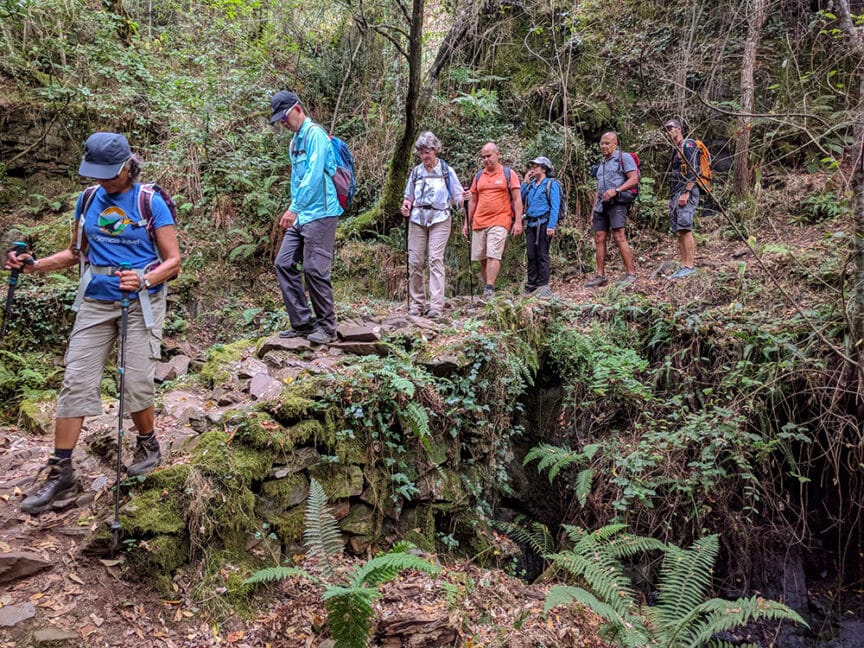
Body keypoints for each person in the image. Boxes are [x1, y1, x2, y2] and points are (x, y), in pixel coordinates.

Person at [7, 132, 181, 515]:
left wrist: (145, 279)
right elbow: (76, 253)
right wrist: (35, 266)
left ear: (126, 166)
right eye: (96, 173)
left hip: (140, 301)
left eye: (108, 174)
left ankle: (148, 442)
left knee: (135, 379)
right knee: (76, 380)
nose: (102, 181)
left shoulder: (149, 201)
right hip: (95, 299)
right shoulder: (87, 200)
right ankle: (61, 472)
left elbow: (173, 261)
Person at [271, 90, 342, 343]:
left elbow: (313, 175)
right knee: (284, 262)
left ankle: (328, 328)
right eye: (280, 120)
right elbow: (296, 179)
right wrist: (294, 209)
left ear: (297, 110)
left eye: (285, 117)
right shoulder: (294, 142)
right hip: (302, 216)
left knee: (314, 268)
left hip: (322, 213)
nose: (283, 123)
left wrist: (294, 209)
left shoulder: (316, 136)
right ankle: (302, 322)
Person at [400, 131, 464, 319]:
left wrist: (465, 200)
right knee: (415, 261)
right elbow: (408, 197)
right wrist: (406, 206)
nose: (424, 156)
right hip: (417, 219)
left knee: (435, 259)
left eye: (427, 152)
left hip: (440, 219)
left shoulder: (446, 171)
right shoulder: (416, 172)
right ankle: (417, 303)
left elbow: (458, 196)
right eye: (421, 152)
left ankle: (436, 305)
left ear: (435, 150)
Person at [462, 142, 523, 298]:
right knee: (481, 257)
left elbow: (517, 199)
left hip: (500, 219)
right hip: (479, 221)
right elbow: (473, 201)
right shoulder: (479, 176)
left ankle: (489, 286)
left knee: (493, 254)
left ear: (497, 154)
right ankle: (488, 288)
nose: (486, 160)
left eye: (489, 156)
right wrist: (466, 223)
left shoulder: (508, 174)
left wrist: (517, 222)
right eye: (483, 157)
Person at [586, 132, 638, 288]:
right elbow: (599, 188)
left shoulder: (623, 158)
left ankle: (631, 273)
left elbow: (634, 178)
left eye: (607, 143)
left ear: (615, 144)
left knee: (619, 235)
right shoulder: (601, 164)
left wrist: (616, 190)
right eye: (602, 143)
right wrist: (593, 210)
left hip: (617, 202)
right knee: (599, 237)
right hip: (601, 206)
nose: (603, 146)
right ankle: (600, 276)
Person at [664, 119, 700, 279]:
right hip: (676, 192)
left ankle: (690, 265)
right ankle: (683, 265)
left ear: (678, 129)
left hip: (687, 191)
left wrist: (687, 192)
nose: (668, 131)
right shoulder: (676, 149)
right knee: (679, 231)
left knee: (685, 228)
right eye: (666, 129)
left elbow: (695, 169)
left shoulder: (688, 145)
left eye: (670, 128)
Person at [520, 156, 561, 295]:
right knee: (531, 254)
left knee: (542, 254)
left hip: (544, 223)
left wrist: (551, 225)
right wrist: (525, 182)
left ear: (543, 168)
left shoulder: (551, 184)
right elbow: (521, 197)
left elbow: (555, 206)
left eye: (536, 166)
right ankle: (531, 284)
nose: (533, 169)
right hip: (531, 223)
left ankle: (542, 284)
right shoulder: (531, 185)